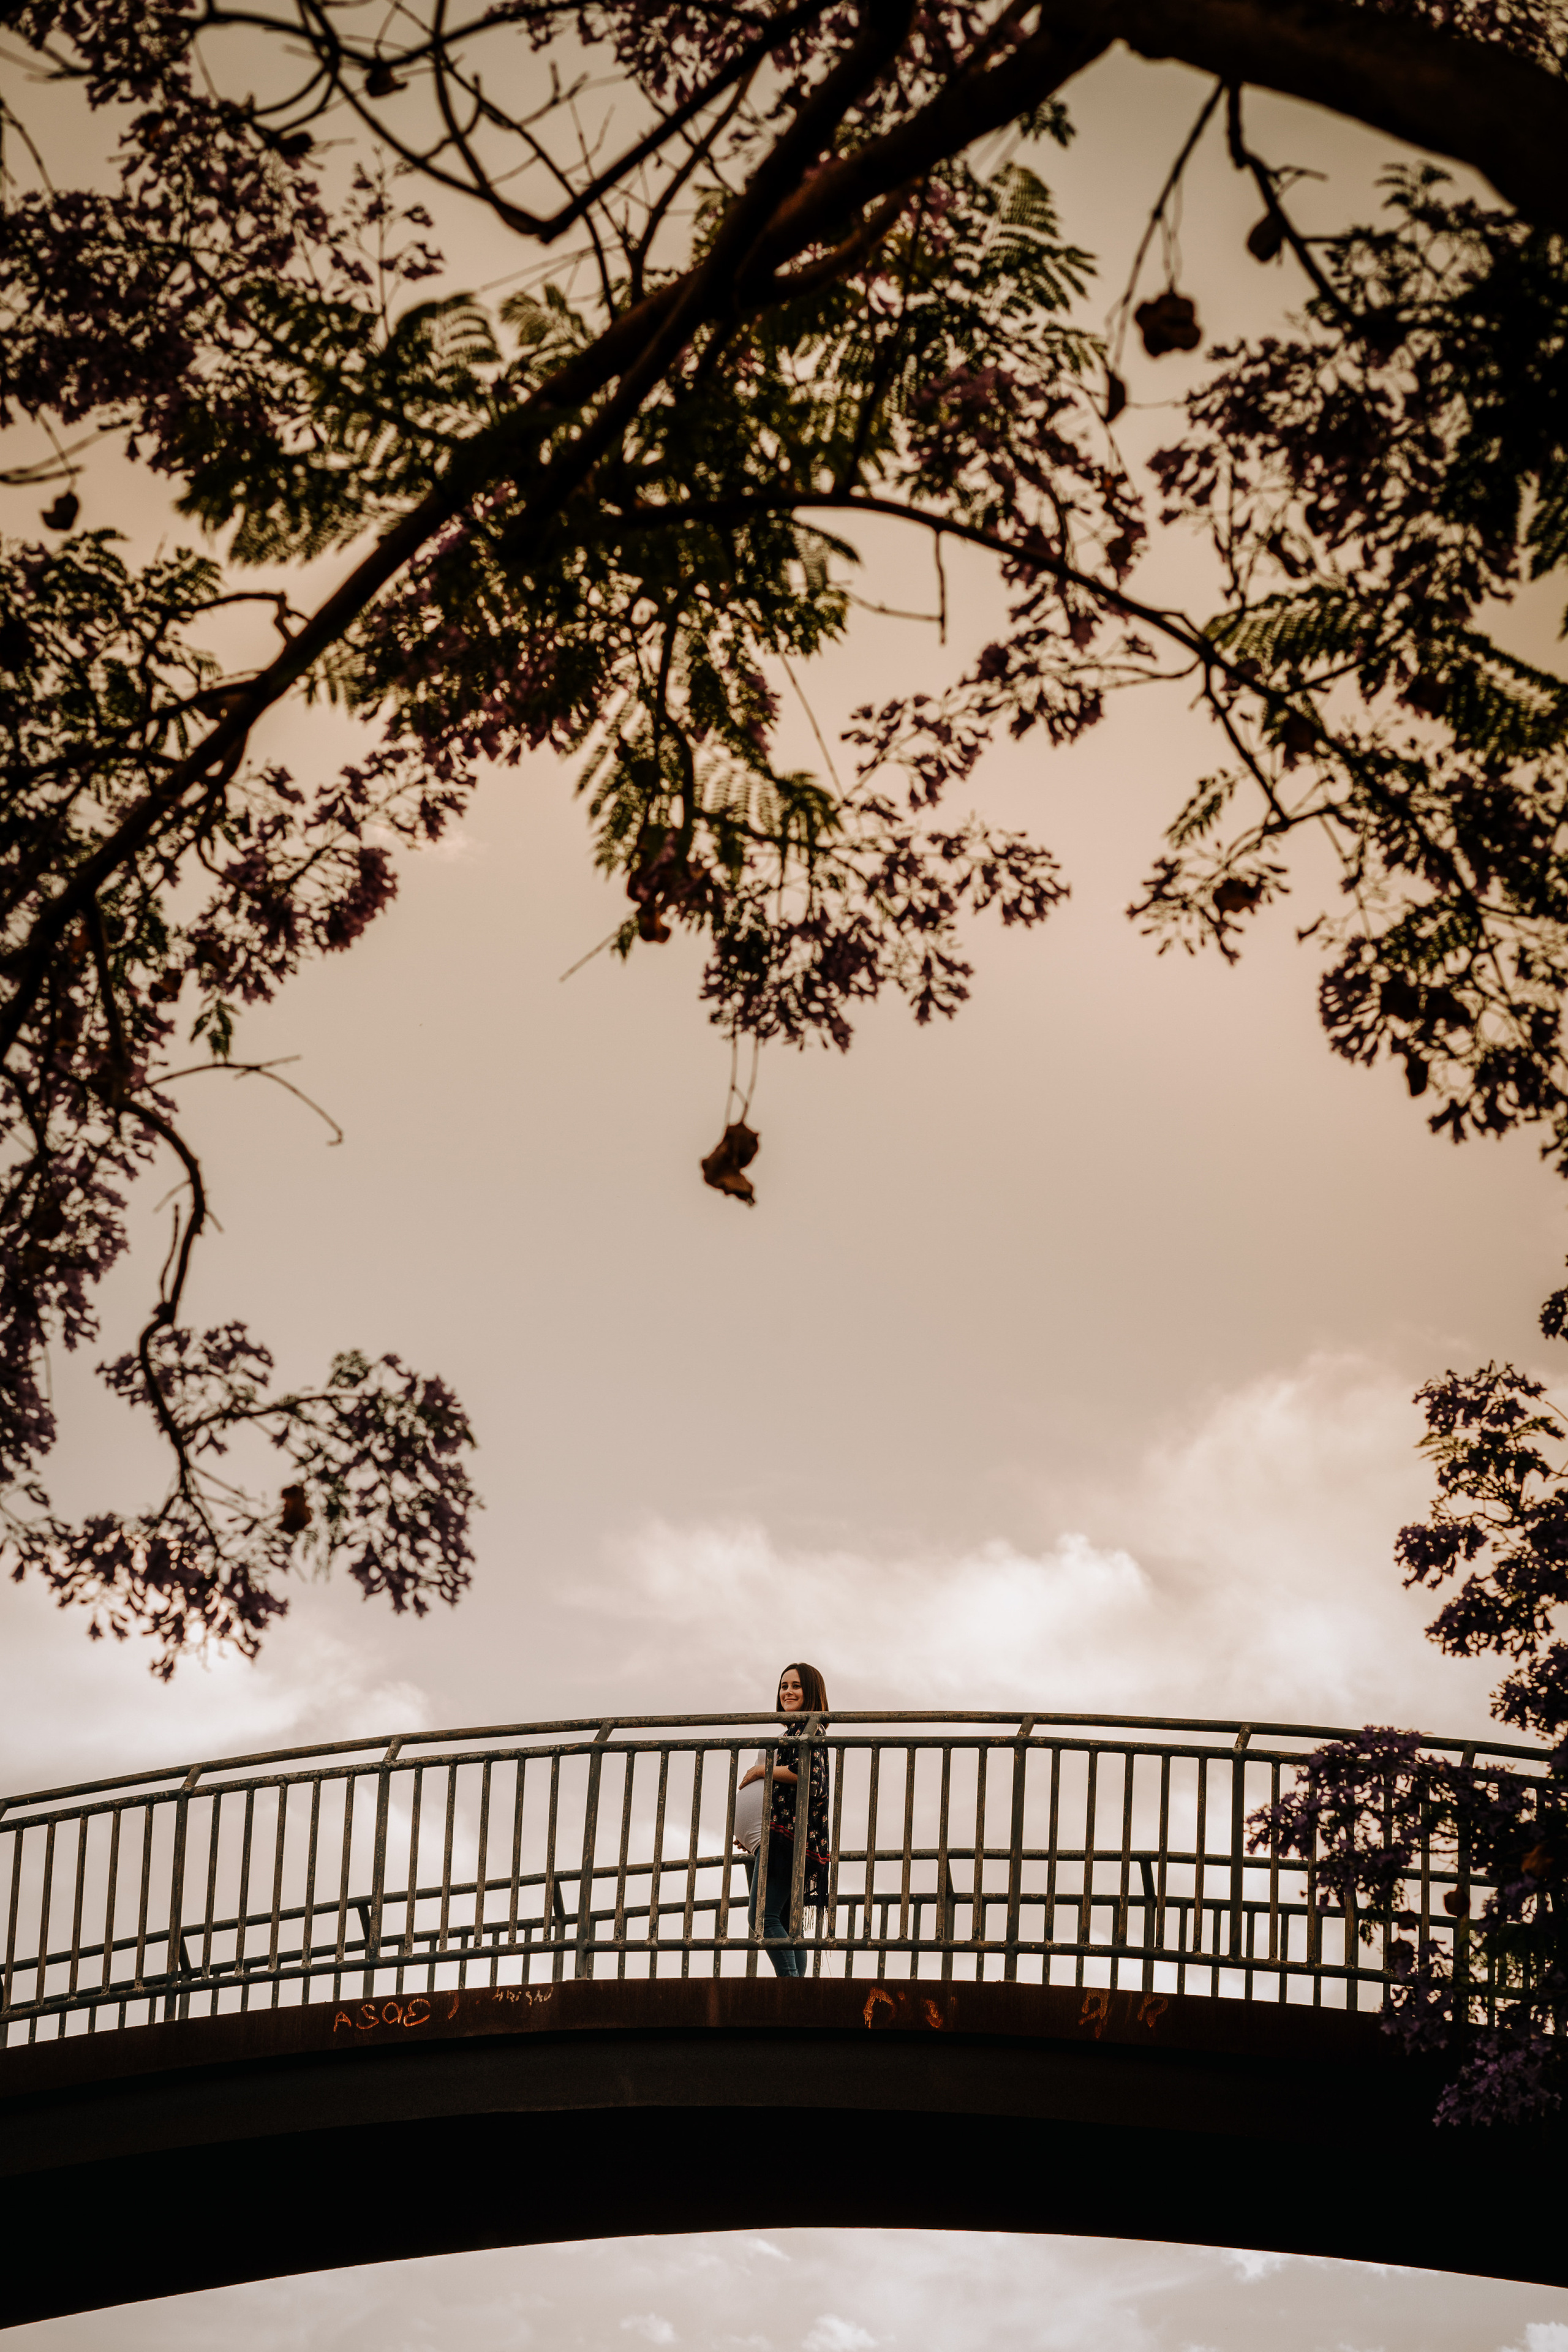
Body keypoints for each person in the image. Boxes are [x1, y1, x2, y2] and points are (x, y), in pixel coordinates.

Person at [738, 1662, 831, 1977]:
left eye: (796, 1686)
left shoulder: (810, 1730)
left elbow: (813, 1780)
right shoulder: (792, 1732)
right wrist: (749, 1830)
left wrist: (761, 1770)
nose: (788, 1692)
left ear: (812, 1692)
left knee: (762, 1917)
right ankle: (799, 1992)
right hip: (775, 1836)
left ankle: (790, 1986)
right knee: (786, 1923)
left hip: (787, 1838)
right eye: (783, 1686)